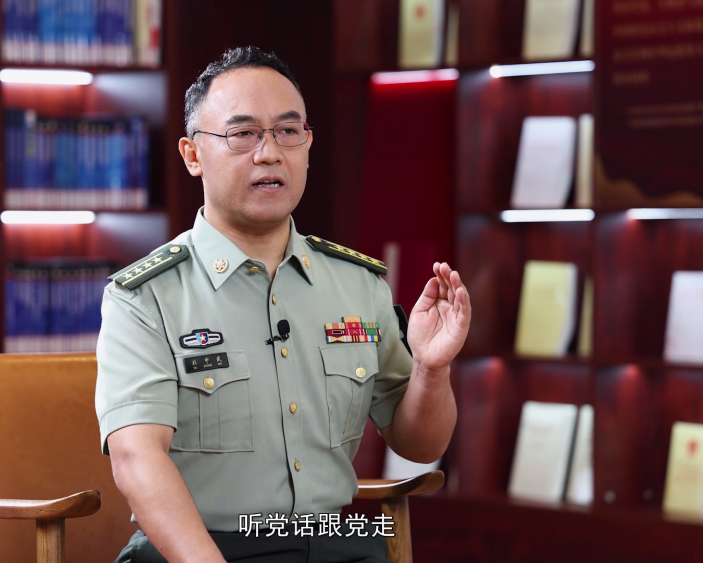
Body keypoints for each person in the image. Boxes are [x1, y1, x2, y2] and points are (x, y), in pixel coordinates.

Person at [95, 46, 470, 563]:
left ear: (308, 145)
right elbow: (136, 458)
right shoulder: (145, 296)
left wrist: (431, 367)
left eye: (288, 131)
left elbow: (421, 446)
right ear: (192, 155)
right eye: (243, 134)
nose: (269, 153)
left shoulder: (358, 285)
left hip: (334, 545)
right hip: (203, 550)